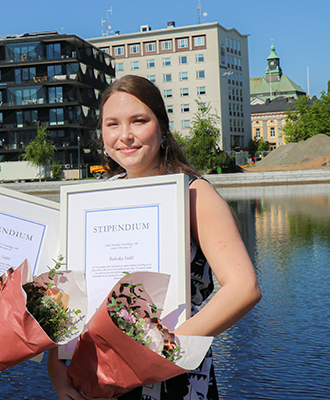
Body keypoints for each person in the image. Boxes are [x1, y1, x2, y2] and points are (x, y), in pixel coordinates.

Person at [48, 75, 261, 400]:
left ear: (161, 127)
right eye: (112, 124)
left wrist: (161, 352)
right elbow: (67, 295)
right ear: (101, 134)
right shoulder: (92, 201)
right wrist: (59, 374)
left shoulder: (193, 194)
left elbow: (244, 287)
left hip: (174, 377)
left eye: (139, 121)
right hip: (97, 379)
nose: (125, 135)